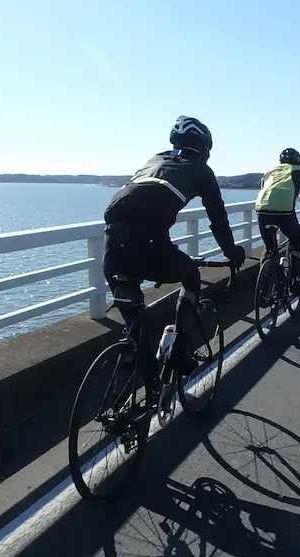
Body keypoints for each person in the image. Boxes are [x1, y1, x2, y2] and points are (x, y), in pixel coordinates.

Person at [102, 115, 246, 370]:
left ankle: (136, 366)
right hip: (150, 244)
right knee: (191, 275)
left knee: (135, 323)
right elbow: (218, 217)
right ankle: (179, 349)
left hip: (112, 244)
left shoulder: (153, 160)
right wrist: (231, 252)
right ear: (204, 147)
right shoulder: (201, 169)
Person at [254, 148, 300, 295]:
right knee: (296, 245)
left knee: (269, 248)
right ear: (298, 161)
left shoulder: (269, 171)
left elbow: (264, 189)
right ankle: (295, 282)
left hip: (262, 210)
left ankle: (264, 290)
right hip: (285, 213)